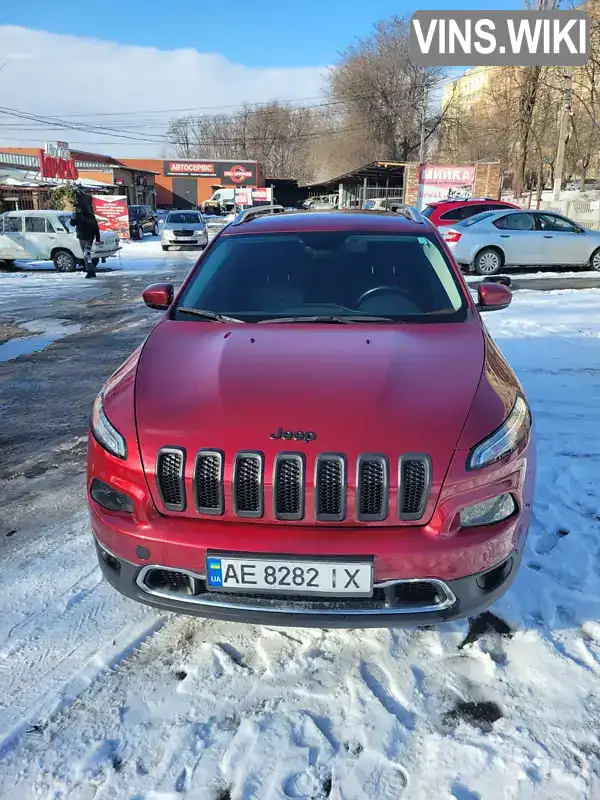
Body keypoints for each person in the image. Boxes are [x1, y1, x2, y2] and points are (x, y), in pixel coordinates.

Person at [70, 187, 101, 278]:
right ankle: (90, 270)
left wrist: (98, 239)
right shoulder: (78, 216)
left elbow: (96, 228)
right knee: (86, 255)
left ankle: (90, 271)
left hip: (88, 238)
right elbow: (72, 224)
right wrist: (74, 218)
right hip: (82, 237)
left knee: (86, 254)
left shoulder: (90, 217)